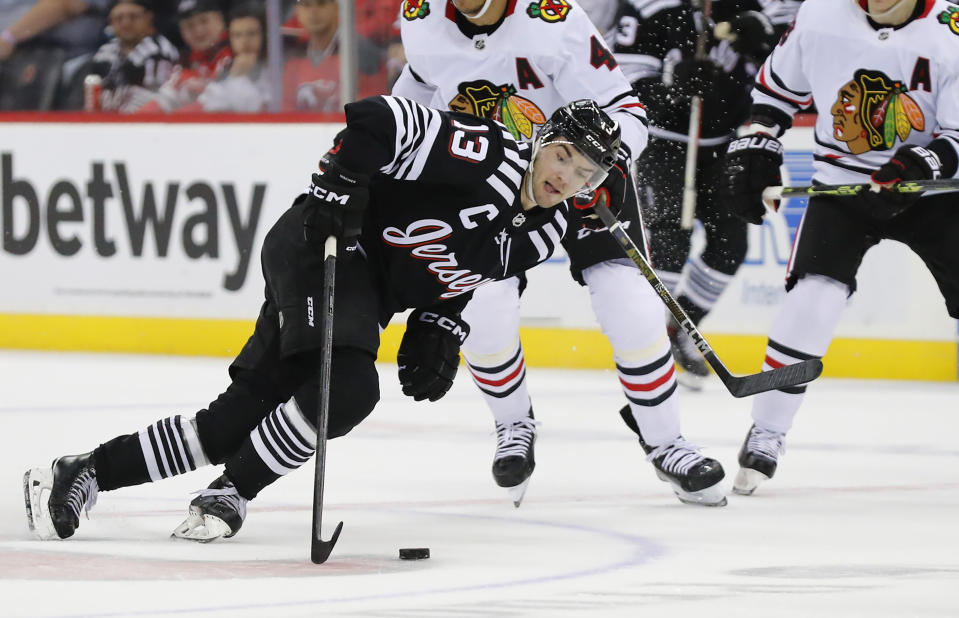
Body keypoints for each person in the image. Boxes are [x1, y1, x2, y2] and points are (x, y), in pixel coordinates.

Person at [23, 95, 623, 542]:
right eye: (564, 157)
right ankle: (233, 491)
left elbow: (462, 276)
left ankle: (87, 470)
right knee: (351, 388)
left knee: (235, 422)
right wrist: (339, 180)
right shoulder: (483, 152)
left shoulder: (548, 232)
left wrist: (440, 324)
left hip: (362, 291)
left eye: (585, 174)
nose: (565, 177)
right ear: (543, 138)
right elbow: (379, 120)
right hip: (322, 248)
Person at [393, 0, 727, 507]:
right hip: (488, 186)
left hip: (576, 179)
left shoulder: (552, 21)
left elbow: (627, 112)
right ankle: (512, 426)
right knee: (482, 307)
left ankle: (665, 441)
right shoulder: (419, 15)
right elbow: (415, 91)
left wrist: (601, 168)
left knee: (630, 303)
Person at [718, 0, 959, 495]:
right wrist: (759, 140)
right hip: (843, 185)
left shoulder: (950, 30)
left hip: (938, 192)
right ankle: (767, 430)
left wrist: (920, 165)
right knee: (814, 295)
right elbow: (774, 93)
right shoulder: (821, 13)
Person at [612, 0, 779, 389]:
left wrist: (763, 46)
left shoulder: (747, 7)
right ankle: (650, 349)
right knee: (670, 240)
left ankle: (680, 330)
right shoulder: (652, 8)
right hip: (666, 144)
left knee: (731, 244)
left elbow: (786, 70)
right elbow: (620, 76)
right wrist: (670, 87)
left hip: (723, 144)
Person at [281, 0, 387, 112]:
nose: (313, 12)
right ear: (297, 11)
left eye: (321, 4)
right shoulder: (292, 54)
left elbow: (370, 106)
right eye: (306, 5)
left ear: (337, 8)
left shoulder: (359, 50)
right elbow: (286, 107)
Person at [82, 0, 179, 112]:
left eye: (133, 17)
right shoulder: (105, 52)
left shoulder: (161, 52)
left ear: (148, 17)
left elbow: (158, 102)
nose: (125, 23)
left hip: (142, 123)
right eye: (119, 18)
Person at [134, 0, 230, 112]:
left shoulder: (237, 52)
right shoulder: (185, 61)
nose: (198, 30)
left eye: (204, 21)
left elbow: (223, 101)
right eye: (190, 26)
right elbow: (164, 99)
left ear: (220, 20)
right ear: (182, 31)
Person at [186, 2, 270, 113]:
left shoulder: (281, 67)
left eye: (251, 33)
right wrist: (235, 77)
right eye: (237, 35)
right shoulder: (223, 70)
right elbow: (206, 108)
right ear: (230, 39)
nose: (244, 41)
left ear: (264, 36)